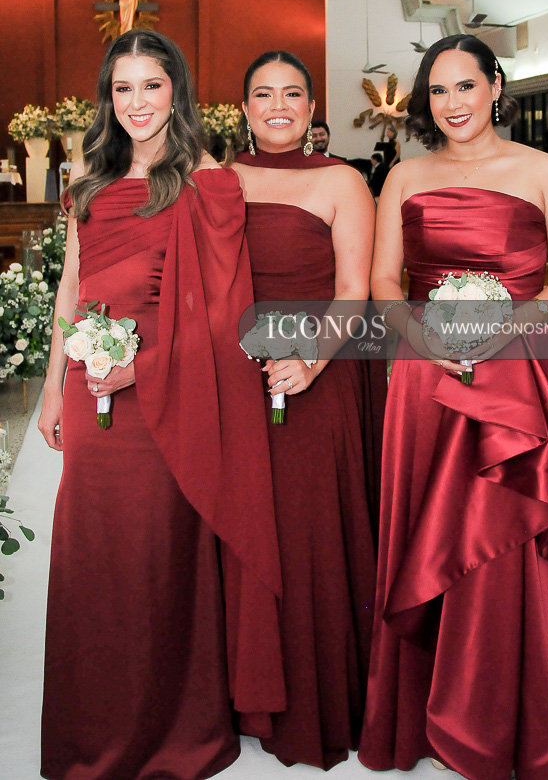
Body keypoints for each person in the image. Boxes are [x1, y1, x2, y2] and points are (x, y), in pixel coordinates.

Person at [358, 34, 548, 780]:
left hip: (516, 371)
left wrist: (505, 330)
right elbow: (384, 282)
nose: (453, 104)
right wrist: (422, 337)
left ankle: (523, 713)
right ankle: (426, 711)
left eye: (466, 86)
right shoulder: (404, 177)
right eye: (438, 91)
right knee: (429, 532)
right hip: (426, 377)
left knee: (509, 535)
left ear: (496, 86)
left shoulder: (541, 171)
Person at [38, 29, 284, 780]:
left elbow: (222, 311)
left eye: (152, 85)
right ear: (107, 98)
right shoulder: (90, 178)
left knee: (155, 554)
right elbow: (72, 288)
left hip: (165, 394)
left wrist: (138, 369)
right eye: (123, 88)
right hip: (89, 389)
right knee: (92, 554)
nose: (137, 102)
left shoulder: (207, 180)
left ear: (177, 91)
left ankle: (169, 728)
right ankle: (94, 728)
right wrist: (53, 386)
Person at [231, 50, 384, 770]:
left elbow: (355, 290)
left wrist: (310, 360)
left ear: (313, 107)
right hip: (235, 378)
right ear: (244, 109)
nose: (278, 106)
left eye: (292, 93)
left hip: (319, 372)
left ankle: (317, 699)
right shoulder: (215, 179)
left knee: (308, 531)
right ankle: (245, 692)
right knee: (242, 527)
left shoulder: (342, 180)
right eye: (263, 94)